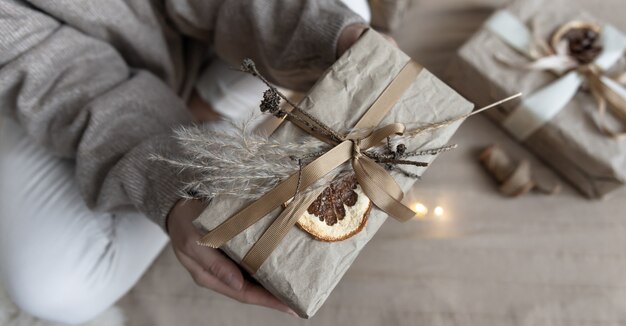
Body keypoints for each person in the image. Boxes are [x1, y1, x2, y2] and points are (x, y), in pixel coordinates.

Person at [0, 0, 376, 324]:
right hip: (60, 87)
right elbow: (61, 81)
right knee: (54, 289)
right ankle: (213, 128)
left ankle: (210, 113)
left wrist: (324, 30)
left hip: (205, 38)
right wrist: (174, 188)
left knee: (344, 16)